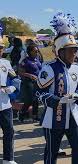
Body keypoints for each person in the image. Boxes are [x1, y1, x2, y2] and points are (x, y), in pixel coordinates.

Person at [36, 12, 78, 164]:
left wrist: (77, 95)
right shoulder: (48, 68)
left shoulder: (77, 68)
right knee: (52, 151)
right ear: (60, 51)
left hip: (72, 116)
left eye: (75, 50)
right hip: (53, 118)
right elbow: (39, 92)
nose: (74, 53)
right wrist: (57, 100)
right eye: (71, 50)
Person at [0, 23, 20, 164]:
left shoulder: (6, 63)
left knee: (9, 132)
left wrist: (12, 88)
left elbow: (15, 79)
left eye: (1, 48)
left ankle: (8, 158)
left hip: (5, 103)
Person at [18, 44, 42, 122]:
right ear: (30, 52)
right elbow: (20, 73)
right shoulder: (26, 61)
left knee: (36, 99)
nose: (37, 52)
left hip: (37, 82)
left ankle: (35, 116)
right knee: (29, 100)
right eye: (35, 51)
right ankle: (21, 113)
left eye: (38, 51)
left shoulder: (37, 59)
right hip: (28, 82)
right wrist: (29, 75)